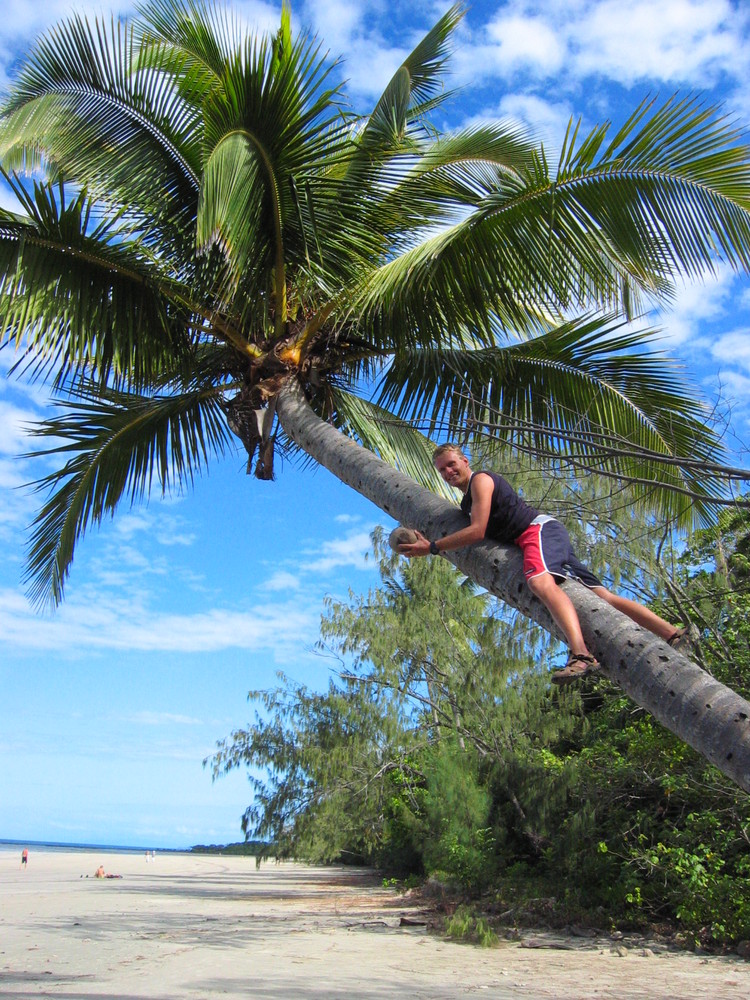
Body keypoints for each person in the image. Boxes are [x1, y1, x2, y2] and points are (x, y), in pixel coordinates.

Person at [398, 443, 688, 684]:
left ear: (464, 460)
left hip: (538, 531)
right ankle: (673, 634)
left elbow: (477, 531)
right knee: (603, 597)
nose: (448, 472)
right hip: (545, 535)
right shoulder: (466, 502)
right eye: (442, 470)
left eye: (451, 464)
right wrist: (430, 538)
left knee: (538, 581)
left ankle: (581, 655)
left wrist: (433, 547)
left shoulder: (481, 481)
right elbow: (468, 529)